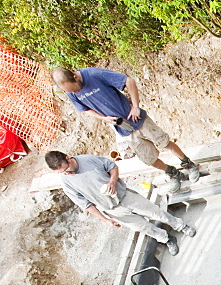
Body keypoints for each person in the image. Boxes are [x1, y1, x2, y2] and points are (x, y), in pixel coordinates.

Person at [52, 67, 200, 194]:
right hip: (123, 128)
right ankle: (173, 173)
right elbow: (85, 110)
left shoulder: (93, 74)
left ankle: (188, 164)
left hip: (137, 119)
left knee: (165, 143)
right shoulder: (71, 92)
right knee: (149, 159)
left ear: (75, 76)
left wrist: (135, 106)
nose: (76, 92)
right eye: (72, 91)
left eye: (76, 89)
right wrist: (104, 118)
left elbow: (128, 81)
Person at [45, 151, 195, 256]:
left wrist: (112, 181)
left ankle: (181, 226)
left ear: (68, 158)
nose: (67, 173)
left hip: (125, 196)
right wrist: (105, 219)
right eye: (62, 173)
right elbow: (85, 204)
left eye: (67, 169)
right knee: (143, 227)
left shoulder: (87, 160)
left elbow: (112, 166)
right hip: (112, 210)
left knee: (155, 212)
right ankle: (167, 239)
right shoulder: (66, 183)